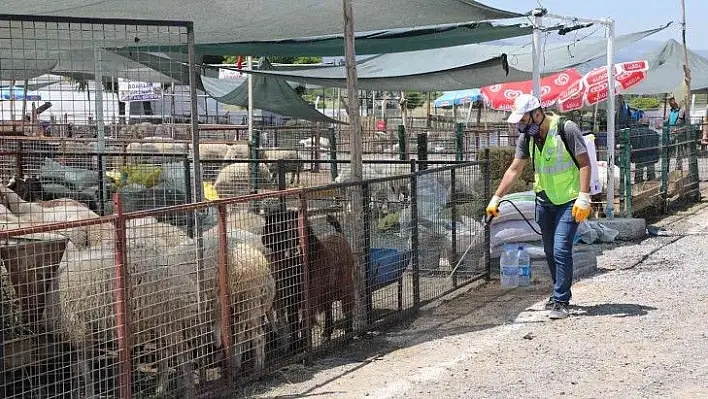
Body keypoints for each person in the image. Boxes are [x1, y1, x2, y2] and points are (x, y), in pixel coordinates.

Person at [486, 94, 592, 320]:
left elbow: (584, 163)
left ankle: (562, 300)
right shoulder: (528, 138)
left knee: (562, 248)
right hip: (544, 201)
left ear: (537, 113)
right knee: (550, 250)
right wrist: (496, 198)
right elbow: (514, 170)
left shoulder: (566, 129)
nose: (521, 126)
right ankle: (557, 293)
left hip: (569, 200)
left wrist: (584, 196)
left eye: (523, 121)